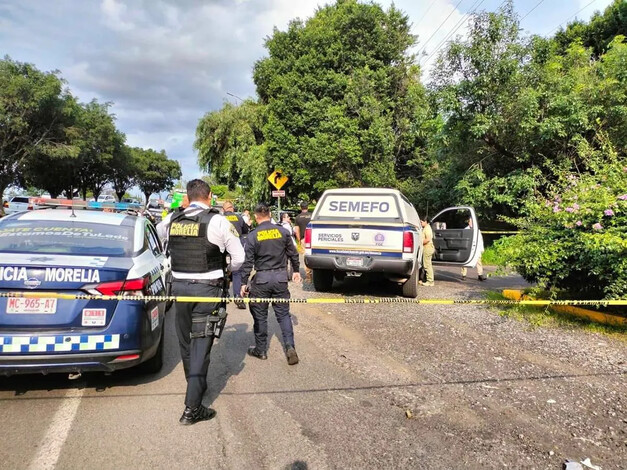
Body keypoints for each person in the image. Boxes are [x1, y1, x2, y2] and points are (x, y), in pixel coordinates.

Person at [157, 180, 244, 425]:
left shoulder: (172, 220)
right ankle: (192, 408)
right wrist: (225, 269)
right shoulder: (217, 221)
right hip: (207, 290)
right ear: (210, 196)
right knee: (200, 348)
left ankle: (195, 385)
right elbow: (239, 258)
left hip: (180, 289)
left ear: (187, 196)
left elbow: (158, 235)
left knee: (186, 343)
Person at [240, 203, 301, 365]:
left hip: (261, 280)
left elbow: (248, 262)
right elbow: (293, 253)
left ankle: (261, 350)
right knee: (283, 315)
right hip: (280, 279)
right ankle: (290, 347)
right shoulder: (282, 231)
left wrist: (243, 282)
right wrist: (295, 270)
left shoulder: (253, 235)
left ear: (256, 216)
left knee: (260, 315)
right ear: (269, 214)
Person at [222, 200, 249, 309]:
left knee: (221, 270)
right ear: (232, 208)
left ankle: (223, 294)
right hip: (235, 247)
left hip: (223, 248)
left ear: (223, 210)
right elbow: (245, 231)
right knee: (237, 272)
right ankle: (237, 295)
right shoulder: (239, 217)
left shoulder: (220, 218)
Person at [293, 201, 313, 280]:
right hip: (313, 238)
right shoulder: (312, 216)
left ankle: (308, 276)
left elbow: (297, 230)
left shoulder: (298, 217)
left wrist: (299, 239)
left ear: (300, 208)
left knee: (306, 257)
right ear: (307, 207)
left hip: (304, 239)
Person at [420, 218, 435, 286]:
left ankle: (430, 281)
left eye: (421, 221)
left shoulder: (427, 228)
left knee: (427, 265)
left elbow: (428, 239)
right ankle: (427, 279)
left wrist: (420, 243)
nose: (421, 223)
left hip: (427, 248)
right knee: (427, 264)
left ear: (425, 221)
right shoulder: (426, 227)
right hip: (427, 248)